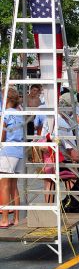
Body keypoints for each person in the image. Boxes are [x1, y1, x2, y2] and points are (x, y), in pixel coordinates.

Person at [0, 88, 24, 228]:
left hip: (7, 151)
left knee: (4, 186)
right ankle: (16, 218)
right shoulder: (20, 114)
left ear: (7, 99)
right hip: (19, 151)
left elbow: (2, 135)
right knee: (14, 187)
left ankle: (4, 219)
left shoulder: (5, 114)